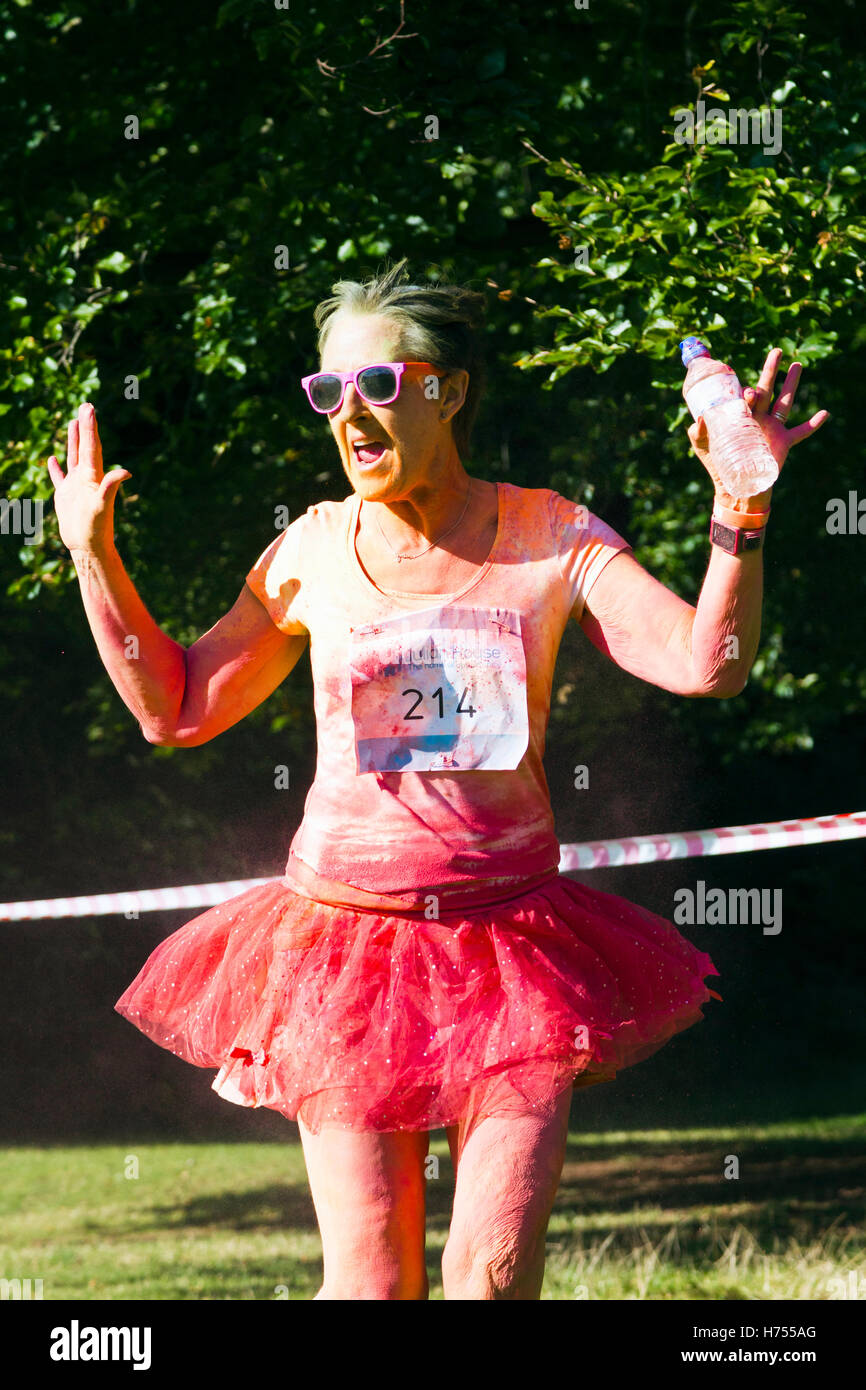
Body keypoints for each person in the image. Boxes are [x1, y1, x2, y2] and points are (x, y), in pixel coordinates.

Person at [47, 259, 828, 1300]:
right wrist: (94, 555)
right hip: (344, 950)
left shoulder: (550, 536)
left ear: (449, 390)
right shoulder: (309, 552)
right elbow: (175, 709)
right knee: (370, 1286)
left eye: (380, 384)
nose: (351, 414)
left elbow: (706, 663)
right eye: (329, 392)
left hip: (510, 952)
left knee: (490, 1276)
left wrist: (741, 508)